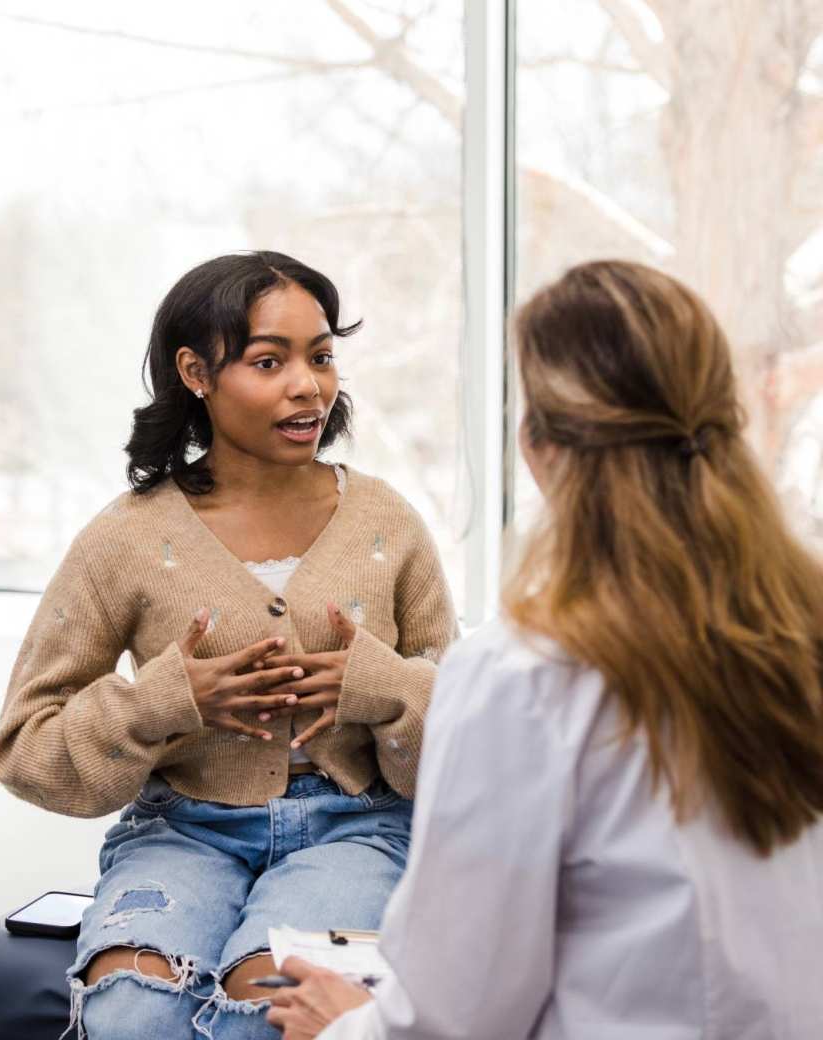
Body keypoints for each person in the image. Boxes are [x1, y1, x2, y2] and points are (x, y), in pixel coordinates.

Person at [267, 260, 823, 1039]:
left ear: (537, 448)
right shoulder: (802, 631)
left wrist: (346, 1025)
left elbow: (456, 1018)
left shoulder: (524, 678)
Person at [0, 250, 459, 1040]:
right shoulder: (126, 539)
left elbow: (473, 732)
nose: (307, 385)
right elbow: (25, 746)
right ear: (196, 372)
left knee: (265, 1015)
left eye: (321, 356)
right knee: (131, 1017)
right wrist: (169, 702)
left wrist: (382, 688)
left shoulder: (389, 525)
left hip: (356, 828)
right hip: (180, 832)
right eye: (269, 362)